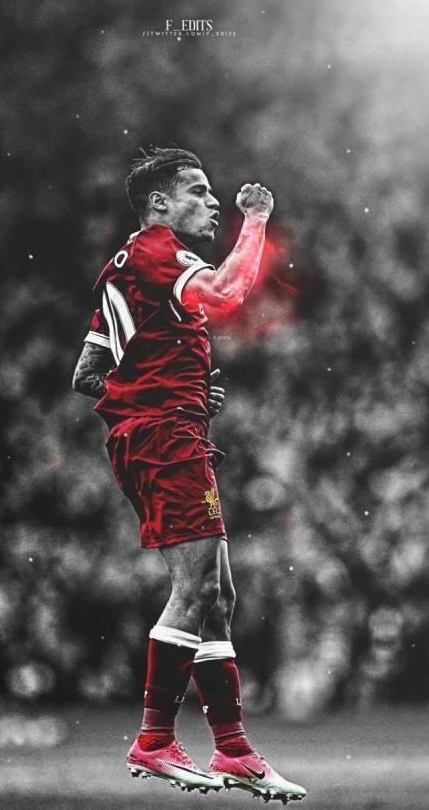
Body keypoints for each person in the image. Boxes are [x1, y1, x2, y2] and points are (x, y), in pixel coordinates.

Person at [72, 147, 306, 803]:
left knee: (219, 595)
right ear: (159, 204)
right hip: (165, 438)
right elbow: (228, 292)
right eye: (198, 191)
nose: (212, 202)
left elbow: (87, 375)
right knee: (197, 588)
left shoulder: (120, 270)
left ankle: (234, 750)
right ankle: (154, 739)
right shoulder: (158, 252)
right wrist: (255, 219)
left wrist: (169, 392)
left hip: (166, 430)